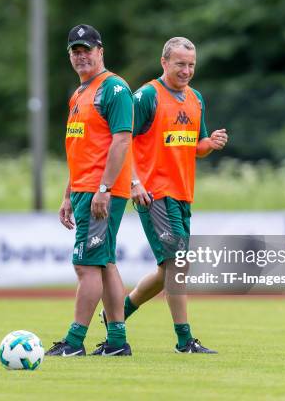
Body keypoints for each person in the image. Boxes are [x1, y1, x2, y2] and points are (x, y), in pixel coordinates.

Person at [102, 37, 228, 353]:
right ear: (164, 63)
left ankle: (118, 313)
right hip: (154, 193)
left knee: (166, 270)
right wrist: (133, 183)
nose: (186, 70)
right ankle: (185, 340)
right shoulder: (147, 96)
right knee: (179, 263)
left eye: (191, 65)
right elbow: (122, 139)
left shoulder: (196, 99)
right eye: (180, 64)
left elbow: (193, 147)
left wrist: (209, 144)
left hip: (183, 194)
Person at [45, 24, 134, 357]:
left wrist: (104, 188)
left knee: (86, 266)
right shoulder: (79, 94)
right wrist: (68, 194)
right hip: (85, 189)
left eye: (87, 49)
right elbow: (79, 148)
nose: (81, 56)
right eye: (75, 51)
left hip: (101, 191)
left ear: (101, 51)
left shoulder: (113, 89)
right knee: (104, 262)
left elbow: (122, 140)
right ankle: (116, 342)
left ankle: (74, 341)